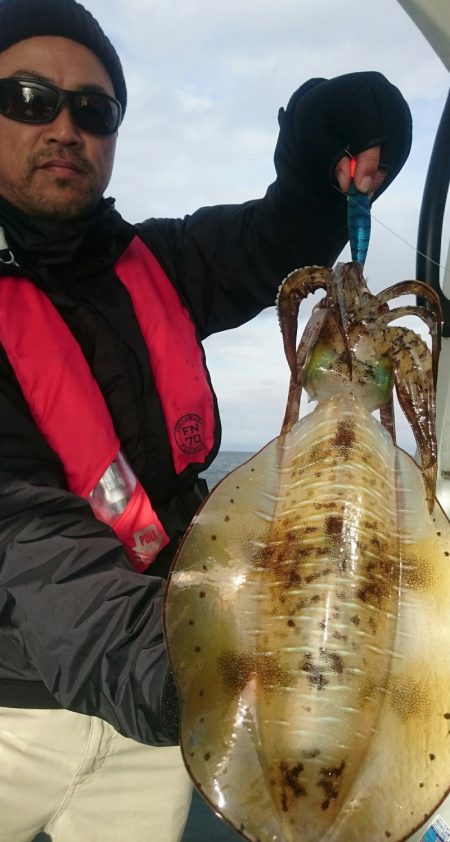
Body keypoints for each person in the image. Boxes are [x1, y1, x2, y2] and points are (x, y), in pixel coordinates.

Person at [0, 1, 412, 840]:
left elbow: (274, 244)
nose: (67, 127)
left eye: (95, 109)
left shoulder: (160, 264)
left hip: (165, 720)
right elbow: (32, 548)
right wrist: (201, 673)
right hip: (34, 707)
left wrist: (316, 158)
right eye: (31, 98)